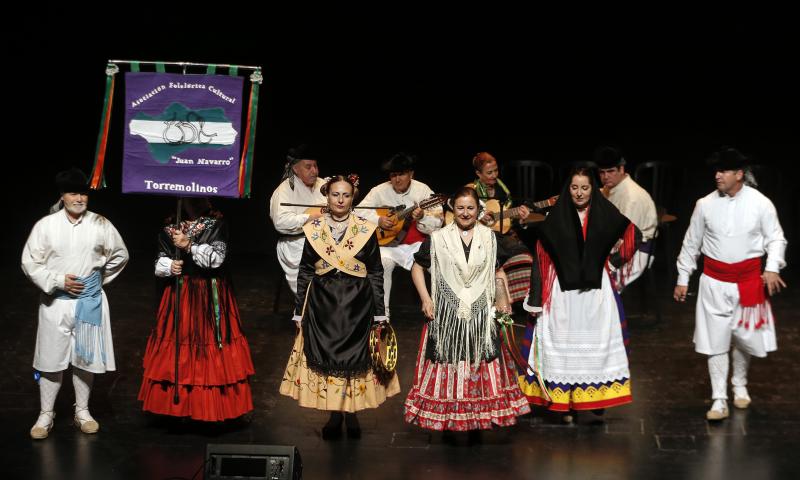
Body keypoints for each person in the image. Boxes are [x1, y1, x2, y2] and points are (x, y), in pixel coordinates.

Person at [279, 174, 400, 440]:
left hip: (358, 303)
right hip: (324, 304)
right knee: (329, 358)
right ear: (327, 196)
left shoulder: (364, 229)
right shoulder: (315, 229)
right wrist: (299, 310)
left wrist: (380, 313)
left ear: (353, 197)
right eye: (335, 194)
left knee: (354, 359)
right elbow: (306, 271)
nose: (341, 200)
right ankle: (334, 414)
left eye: (346, 195)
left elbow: (376, 273)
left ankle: (352, 414)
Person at [404, 186, 531, 433]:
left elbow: (498, 270)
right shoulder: (439, 239)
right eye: (460, 208)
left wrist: (503, 300)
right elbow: (417, 267)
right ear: (453, 208)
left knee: (481, 361)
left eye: (470, 208)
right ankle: (451, 419)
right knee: (449, 362)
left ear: (478, 210)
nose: (465, 213)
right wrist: (426, 299)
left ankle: (476, 419)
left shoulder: (489, 238)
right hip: (448, 311)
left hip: (480, 313)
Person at [674, 147, 787, 421]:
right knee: (716, 342)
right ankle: (718, 399)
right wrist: (682, 277)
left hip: (748, 281)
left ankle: (738, 384)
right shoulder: (705, 204)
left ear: (739, 174)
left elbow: (776, 239)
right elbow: (692, 243)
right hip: (714, 282)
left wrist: (771, 268)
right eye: (716, 170)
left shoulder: (761, 203)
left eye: (723, 170)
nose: (717, 175)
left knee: (743, 338)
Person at [519, 167, 640, 421]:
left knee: (593, 346)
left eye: (585, 187)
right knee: (564, 345)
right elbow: (542, 250)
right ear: (568, 189)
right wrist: (540, 292)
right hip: (562, 293)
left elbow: (632, 233)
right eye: (575, 187)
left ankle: (593, 399)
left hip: (595, 293)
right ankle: (566, 403)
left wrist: (613, 262)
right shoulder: (558, 215)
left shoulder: (604, 213)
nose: (579, 193)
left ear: (592, 189)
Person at [22, 167, 129, 439]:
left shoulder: (100, 224)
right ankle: (46, 414)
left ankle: (82, 411)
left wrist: (98, 280)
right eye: (73, 193)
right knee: (51, 359)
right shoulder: (46, 226)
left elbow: (120, 255)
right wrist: (57, 280)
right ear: (63, 196)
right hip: (55, 303)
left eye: (83, 193)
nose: (79, 198)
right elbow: (29, 262)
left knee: (85, 358)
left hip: (89, 303)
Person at [139, 197, 255, 421]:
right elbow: (159, 260)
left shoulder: (217, 223)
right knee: (179, 346)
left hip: (209, 296)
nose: (196, 200)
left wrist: (189, 246)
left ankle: (209, 407)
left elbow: (217, 259)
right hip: (180, 293)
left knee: (209, 346)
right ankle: (178, 408)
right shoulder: (170, 226)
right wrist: (169, 266)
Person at [357, 153, 443, 318]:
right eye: (393, 175)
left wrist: (423, 217)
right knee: (382, 263)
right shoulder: (379, 191)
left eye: (401, 174)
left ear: (411, 174)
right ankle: (382, 315)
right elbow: (357, 213)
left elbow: (438, 222)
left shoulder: (423, 190)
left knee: (438, 265)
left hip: (417, 246)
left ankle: (442, 312)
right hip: (389, 246)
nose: (397, 179)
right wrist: (378, 220)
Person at [468, 152, 533, 304]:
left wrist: (521, 217)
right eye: (489, 172)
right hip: (480, 236)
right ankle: (497, 301)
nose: (494, 175)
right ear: (478, 173)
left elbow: (508, 221)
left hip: (502, 234)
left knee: (525, 255)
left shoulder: (503, 192)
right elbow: (454, 204)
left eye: (496, 171)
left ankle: (519, 300)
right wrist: (478, 215)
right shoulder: (471, 190)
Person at [595, 146, 658, 291]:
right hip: (617, 245)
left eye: (610, 171)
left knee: (599, 283)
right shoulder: (610, 189)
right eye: (602, 172)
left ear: (621, 169)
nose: (605, 177)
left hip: (635, 252)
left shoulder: (631, 197)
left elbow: (626, 240)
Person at [269, 144, 326, 294]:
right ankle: (312, 309)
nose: (314, 171)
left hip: (324, 239)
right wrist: (310, 217)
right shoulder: (284, 190)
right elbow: (280, 222)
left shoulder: (323, 184)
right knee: (313, 285)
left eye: (315, 166)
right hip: (295, 243)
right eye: (308, 167)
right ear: (295, 169)